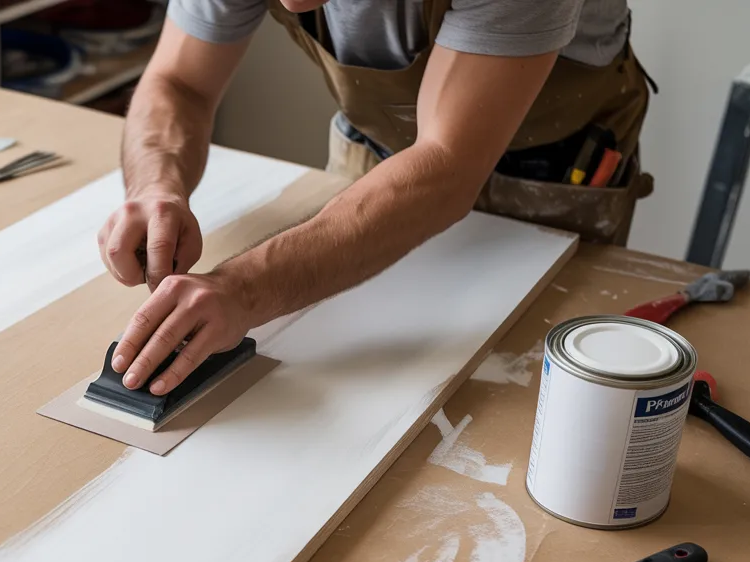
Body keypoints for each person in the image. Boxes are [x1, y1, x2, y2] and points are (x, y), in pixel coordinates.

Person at [98, 0, 654, 398]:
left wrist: (241, 290)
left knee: (521, 394)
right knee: (368, 384)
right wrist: (156, 183)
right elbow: (179, 82)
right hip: (379, 146)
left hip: (555, 172)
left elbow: (446, 165)